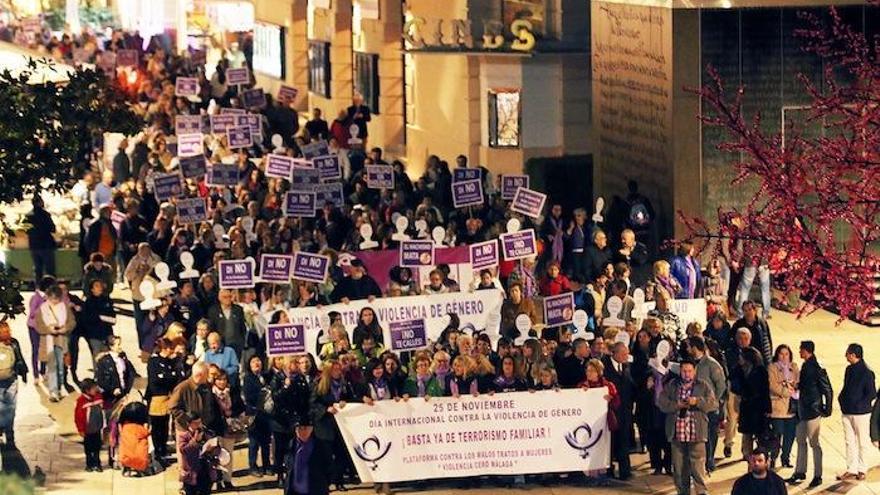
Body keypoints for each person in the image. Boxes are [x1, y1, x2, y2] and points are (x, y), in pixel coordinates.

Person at [657, 359, 717, 495]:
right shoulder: (672, 385)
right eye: (684, 371)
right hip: (677, 435)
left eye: (689, 371)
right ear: (680, 371)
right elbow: (661, 402)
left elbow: (713, 404)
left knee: (698, 468)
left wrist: (697, 401)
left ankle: (701, 492)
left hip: (697, 434)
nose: (687, 374)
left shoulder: (703, 386)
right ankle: (683, 492)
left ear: (694, 371)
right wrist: (676, 405)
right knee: (679, 469)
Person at [787, 340, 833, 488]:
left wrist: (827, 408)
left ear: (807, 351)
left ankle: (818, 475)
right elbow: (807, 385)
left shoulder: (816, 367)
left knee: (814, 443)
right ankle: (800, 471)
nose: (799, 352)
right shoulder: (807, 365)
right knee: (800, 440)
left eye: (801, 350)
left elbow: (827, 389)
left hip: (812, 410)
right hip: (803, 410)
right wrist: (797, 385)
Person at [687, 336, 727, 472]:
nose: (686, 349)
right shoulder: (690, 363)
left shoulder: (711, 364)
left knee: (710, 436)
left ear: (694, 348)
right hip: (693, 406)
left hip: (709, 408)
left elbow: (721, 385)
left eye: (688, 346)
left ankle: (709, 461)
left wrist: (713, 401)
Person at [836, 343, 875, 481]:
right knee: (849, 441)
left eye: (847, 353)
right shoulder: (849, 369)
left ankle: (862, 469)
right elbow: (846, 387)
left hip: (861, 413)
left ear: (853, 355)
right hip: (847, 411)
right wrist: (842, 399)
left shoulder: (867, 373)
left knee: (862, 442)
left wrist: (859, 403)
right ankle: (851, 468)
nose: (845, 355)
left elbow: (871, 393)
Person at [35, 284, 76, 402]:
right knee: (52, 366)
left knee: (61, 366)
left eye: (56, 300)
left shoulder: (64, 307)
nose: (54, 302)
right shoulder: (42, 309)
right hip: (48, 340)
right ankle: (53, 391)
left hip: (61, 340)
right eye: (52, 299)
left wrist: (65, 328)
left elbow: (72, 322)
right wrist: (49, 329)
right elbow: (38, 325)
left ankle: (60, 386)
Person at [146, 338, 182, 463]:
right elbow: (156, 380)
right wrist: (167, 377)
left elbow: (173, 377)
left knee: (165, 425)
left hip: (167, 396)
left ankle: (163, 448)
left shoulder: (169, 362)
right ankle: (158, 451)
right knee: (157, 426)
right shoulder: (153, 361)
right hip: (157, 397)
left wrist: (167, 377)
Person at [603, 342, 635, 480]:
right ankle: (608, 470)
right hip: (610, 411)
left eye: (627, 354)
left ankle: (625, 472)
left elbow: (631, 386)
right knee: (610, 442)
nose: (626, 357)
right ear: (614, 353)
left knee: (624, 441)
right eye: (623, 354)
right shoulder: (605, 367)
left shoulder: (627, 367)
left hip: (625, 411)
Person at [736, 346, 770, 459]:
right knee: (747, 436)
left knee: (760, 436)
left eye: (741, 356)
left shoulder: (761, 371)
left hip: (758, 409)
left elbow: (765, 391)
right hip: (747, 409)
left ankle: (761, 458)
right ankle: (748, 457)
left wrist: (767, 409)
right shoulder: (740, 370)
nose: (739, 358)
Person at [768, 344, 799, 469]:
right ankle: (773, 457)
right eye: (781, 354)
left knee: (790, 434)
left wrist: (794, 387)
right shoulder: (772, 367)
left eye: (786, 354)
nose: (784, 356)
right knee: (777, 434)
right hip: (778, 407)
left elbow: (798, 381)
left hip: (791, 408)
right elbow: (772, 384)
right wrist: (786, 391)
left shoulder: (794, 367)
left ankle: (785, 457)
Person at [284, 418, 332, 495]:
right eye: (299, 428)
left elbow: (329, 468)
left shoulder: (321, 446)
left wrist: (323, 485)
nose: (302, 431)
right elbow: (288, 467)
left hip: (315, 490)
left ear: (312, 429)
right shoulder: (291, 445)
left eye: (306, 428)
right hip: (294, 491)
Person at [74, 378, 105, 472]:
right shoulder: (81, 401)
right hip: (87, 430)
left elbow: (101, 398)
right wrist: (81, 430)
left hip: (97, 428)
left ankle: (97, 464)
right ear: (87, 391)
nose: (96, 389)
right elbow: (78, 417)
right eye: (93, 388)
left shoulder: (97, 397)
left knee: (97, 446)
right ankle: (89, 464)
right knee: (88, 448)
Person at [207, 289, 248, 358]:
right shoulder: (213, 311)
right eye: (225, 297)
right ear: (219, 298)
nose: (228, 299)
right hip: (221, 345)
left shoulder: (238, 309)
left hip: (236, 344)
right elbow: (212, 329)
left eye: (229, 296)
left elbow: (242, 327)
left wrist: (242, 342)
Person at [26, 195, 57, 280]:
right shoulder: (45, 214)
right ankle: (50, 287)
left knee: (37, 269)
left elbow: (26, 230)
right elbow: (53, 229)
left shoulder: (28, 216)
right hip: (46, 245)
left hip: (34, 246)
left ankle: (38, 287)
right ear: (40, 203)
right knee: (49, 269)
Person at [732, 301, 773, 365]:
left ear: (755, 310)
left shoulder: (762, 323)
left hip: (760, 359)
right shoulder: (738, 324)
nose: (748, 312)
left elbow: (768, 342)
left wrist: (768, 360)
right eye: (745, 310)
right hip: (744, 359)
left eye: (749, 309)